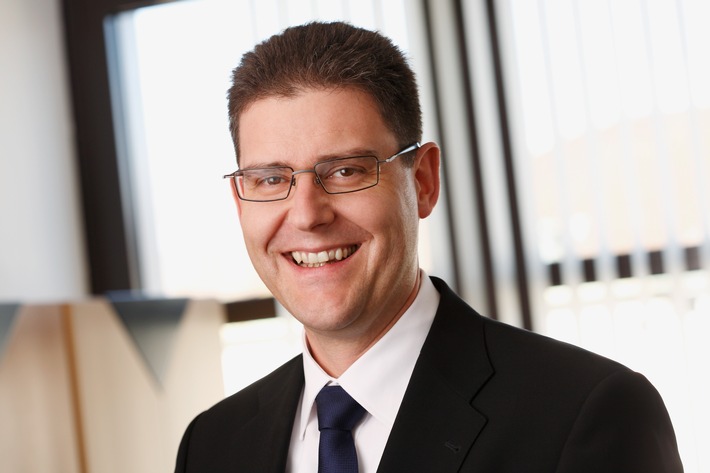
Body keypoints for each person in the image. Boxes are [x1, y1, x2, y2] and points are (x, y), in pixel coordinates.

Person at [175, 21, 683, 473]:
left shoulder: (587, 412)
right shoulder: (211, 445)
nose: (307, 215)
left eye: (346, 171)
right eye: (270, 179)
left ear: (422, 181)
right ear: (240, 202)